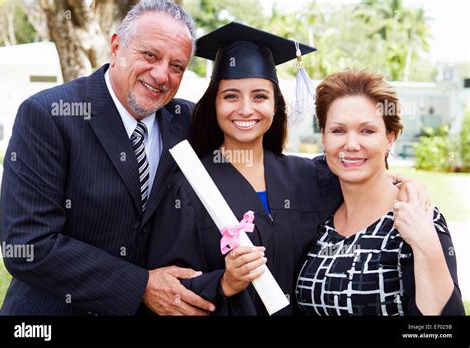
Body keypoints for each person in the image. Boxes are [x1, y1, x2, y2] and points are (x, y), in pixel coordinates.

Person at [146, 23, 428, 315]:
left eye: (259, 96)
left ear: (275, 105)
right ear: (214, 104)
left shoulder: (313, 177)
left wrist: (408, 186)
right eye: (230, 96)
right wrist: (224, 283)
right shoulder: (188, 188)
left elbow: (366, 179)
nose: (245, 109)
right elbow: (168, 294)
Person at [0, 0, 215, 316]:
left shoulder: (186, 121)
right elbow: (29, 245)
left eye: (177, 66)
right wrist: (141, 286)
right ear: (116, 47)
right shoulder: (49, 115)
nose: (161, 74)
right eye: (150, 55)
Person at [295, 70, 465, 316]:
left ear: (390, 138)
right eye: (338, 131)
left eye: (367, 131)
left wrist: (425, 240)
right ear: (323, 137)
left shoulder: (416, 218)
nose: (351, 144)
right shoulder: (319, 216)